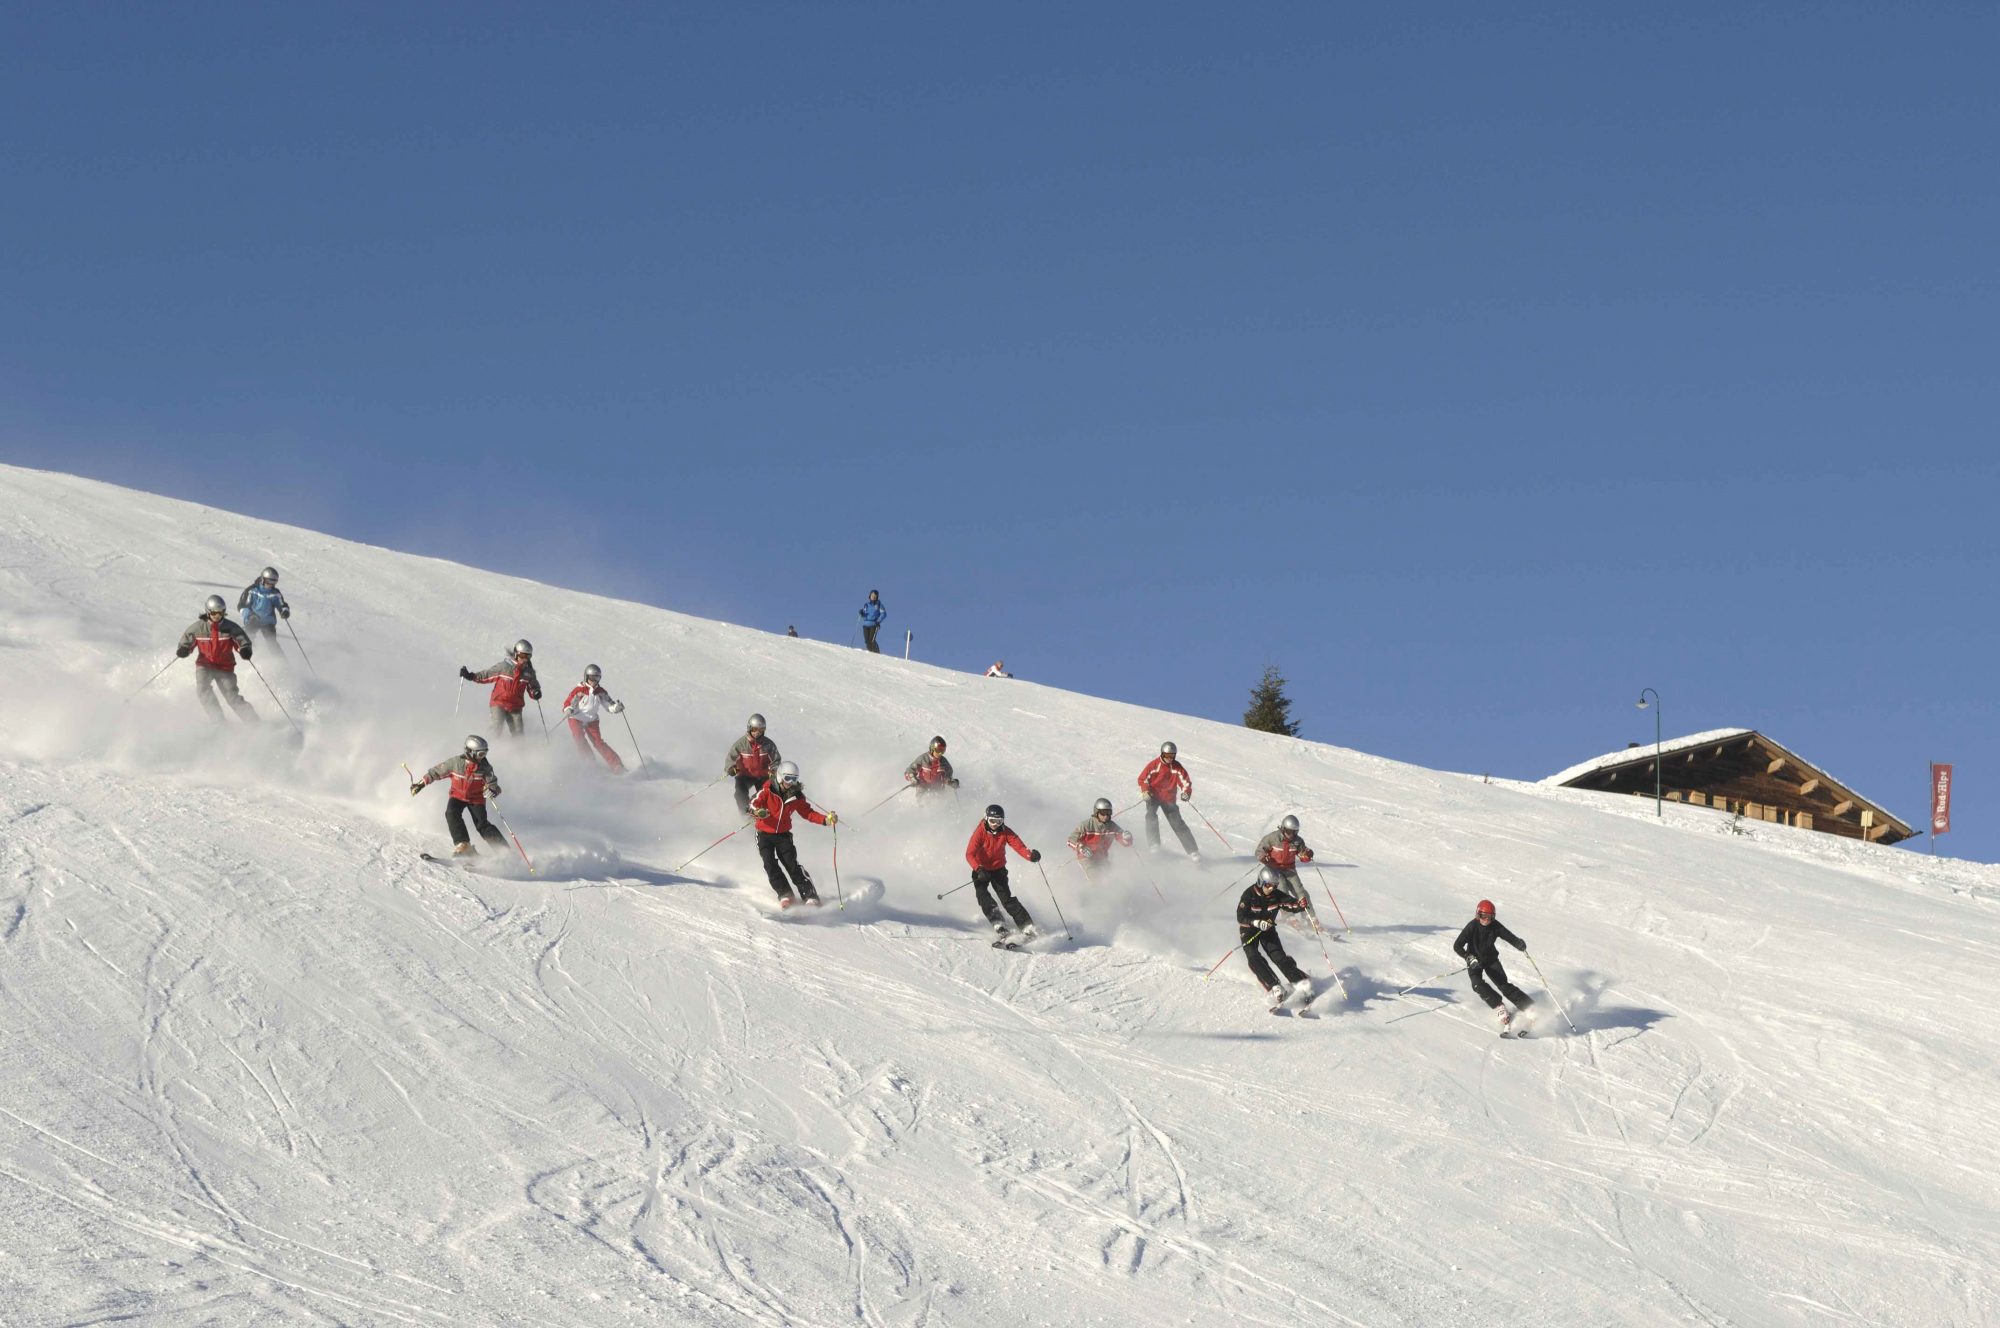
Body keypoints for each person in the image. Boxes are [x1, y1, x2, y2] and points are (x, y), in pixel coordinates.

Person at [749, 761, 836, 907]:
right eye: (788, 778)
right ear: (779, 777)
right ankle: (785, 894)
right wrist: (757, 812)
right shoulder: (767, 790)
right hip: (764, 834)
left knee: (791, 865)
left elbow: (807, 813)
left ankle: (810, 896)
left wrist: (826, 820)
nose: (790, 782)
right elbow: (752, 803)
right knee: (770, 865)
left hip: (783, 835)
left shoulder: (796, 796)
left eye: (794, 779)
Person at [411, 735, 508, 856]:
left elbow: (493, 784)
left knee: (482, 825)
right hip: (457, 796)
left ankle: (504, 851)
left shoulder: (485, 768)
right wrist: (420, 785)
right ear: (470, 752)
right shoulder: (455, 763)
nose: (483, 758)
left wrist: (493, 790)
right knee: (451, 813)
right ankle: (464, 845)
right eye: (480, 754)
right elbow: (435, 772)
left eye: (485, 754)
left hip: (476, 799)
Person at [1453, 899, 1536, 1030]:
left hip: (1491, 960)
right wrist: (1468, 957)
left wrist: (1519, 944)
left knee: (1503, 985)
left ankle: (1529, 1007)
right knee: (1476, 984)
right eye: (1483, 916)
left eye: (1490, 917)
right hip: (1474, 961)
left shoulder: (1495, 926)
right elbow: (1457, 946)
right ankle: (1499, 1006)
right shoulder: (1472, 926)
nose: (1486, 920)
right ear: (1477, 914)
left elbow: (1509, 936)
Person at [1237, 866, 1312, 1010]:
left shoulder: (1276, 895)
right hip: (1249, 930)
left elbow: (1290, 904)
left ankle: (1301, 983)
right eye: (1268, 885)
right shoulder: (1249, 895)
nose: (1271, 888)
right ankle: (1275, 986)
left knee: (1279, 958)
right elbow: (1240, 917)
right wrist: (1256, 922)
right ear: (1260, 882)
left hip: (1268, 929)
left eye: (1274, 886)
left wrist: (1300, 905)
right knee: (1253, 957)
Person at [175, 595, 258, 723]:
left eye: (220, 613)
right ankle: (219, 722)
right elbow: (187, 641)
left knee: (232, 697)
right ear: (208, 612)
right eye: (214, 613)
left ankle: (254, 722)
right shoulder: (198, 628)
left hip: (225, 667)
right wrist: (184, 649)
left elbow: (242, 641)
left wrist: (245, 650)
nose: (217, 616)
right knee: (202, 688)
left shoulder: (231, 628)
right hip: (205, 665)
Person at [965, 804, 1042, 941]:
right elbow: (969, 854)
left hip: (998, 869)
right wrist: (979, 868)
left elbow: (1019, 846)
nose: (995, 824)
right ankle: (999, 923)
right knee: (983, 896)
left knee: (1006, 899)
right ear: (986, 819)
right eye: (992, 821)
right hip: (981, 869)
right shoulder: (980, 832)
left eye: (999, 821)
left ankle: (1027, 927)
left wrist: (1030, 856)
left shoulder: (1006, 831)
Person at [460, 640, 542, 739]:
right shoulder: (504, 667)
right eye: (523, 656)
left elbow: (532, 686)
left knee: (518, 733)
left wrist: (535, 692)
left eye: (528, 657)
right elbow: (487, 675)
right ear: (516, 654)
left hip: (515, 706)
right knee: (497, 726)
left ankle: (519, 752)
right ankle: (487, 746)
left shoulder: (528, 673)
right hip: (499, 702)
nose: (525, 659)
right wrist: (471, 676)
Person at [1137, 741, 1199, 861]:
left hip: (1168, 798)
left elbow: (1185, 781)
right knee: (1151, 816)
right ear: (1162, 754)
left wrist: (1186, 792)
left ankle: (1193, 852)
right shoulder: (1154, 765)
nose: (1170, 758)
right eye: (1167, 755)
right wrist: (1145, 791)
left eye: (1172, 756)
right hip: (1153, 796)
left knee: (1177, 823)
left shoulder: (1177, 767)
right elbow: (1143, 779)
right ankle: (1154, 844)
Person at [560, 664, 625, 773]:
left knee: (598, 742)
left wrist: (616, 708)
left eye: (597, 678)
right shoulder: (579, 690)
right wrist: (568, 709)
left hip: (592, 720)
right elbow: (568, 702)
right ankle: (590, 763)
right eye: (591, 678)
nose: (594, 681)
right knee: (579, 738)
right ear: (586, 677)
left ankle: (616, 765)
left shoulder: (600, 692)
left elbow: (609, 705)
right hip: (576, 718)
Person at [725, 714, 781, 814]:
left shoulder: (768, 744)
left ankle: (758, 812)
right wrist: (731, 768)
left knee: (766, 794)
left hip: (763, 776)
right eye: (755, 729)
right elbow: (731, 756)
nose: (757, 733)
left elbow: (776, 760)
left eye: (761, 730)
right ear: (749, 728)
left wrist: (774, 770)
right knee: (740, 793)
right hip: (745, 775)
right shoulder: (741, 743)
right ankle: (745, 813)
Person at [1066, 798, 1133, 880]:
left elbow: (1125, 843)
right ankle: (1092, 891)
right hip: (1086, 858)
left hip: (1102, 858)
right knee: (1095, 876)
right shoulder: (1086, 825)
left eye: (1109, 813)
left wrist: (1127, 838)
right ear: (1096, 812)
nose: (1106, 816)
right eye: (1103, 813)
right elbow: (1070, 840)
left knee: (1111, 878)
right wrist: (1081, 848)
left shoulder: (1112, 826)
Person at [1254, 815, 1315, 900]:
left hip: (1290, 870)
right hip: (1275, 870)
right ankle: (1288, 913)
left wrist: (1307, 854)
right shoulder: (1273, 838)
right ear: (1283, 829)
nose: (1291, 835)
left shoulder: (1297, 841)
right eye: (1289, 832)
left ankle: (1309, 913)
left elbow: (1302, 853)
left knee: (1301, 893)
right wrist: (1264, 858)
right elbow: (1259, 851)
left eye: (1295, 832)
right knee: (1282, 892)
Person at [235, 566, 290, 656]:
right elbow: (242, 605)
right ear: (263, 579)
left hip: (268, 621)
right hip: (253, 619)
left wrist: (284, 611)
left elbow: (282, 604)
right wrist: (249, 616)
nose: (271, 585)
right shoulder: (252, 590)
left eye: (274, 582)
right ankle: (248, 655)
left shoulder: (275, 593)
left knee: (271, 641)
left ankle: (282, 662)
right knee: (249, 636)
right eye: (269, 582)